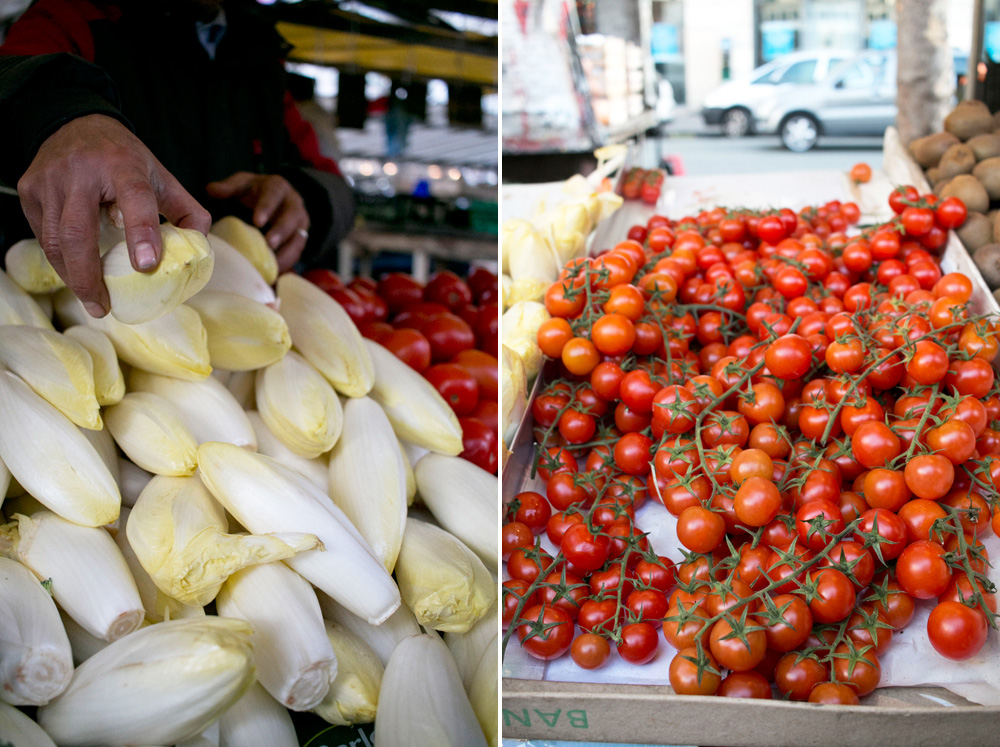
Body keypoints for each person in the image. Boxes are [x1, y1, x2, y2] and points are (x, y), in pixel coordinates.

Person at [0, 0, 356, 318]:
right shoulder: (74, 15)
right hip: (90, 323)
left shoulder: (258, 54)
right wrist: (64, 120)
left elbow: (334, 184)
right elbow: (14, 76)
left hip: (233, 314)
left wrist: (303, 196)